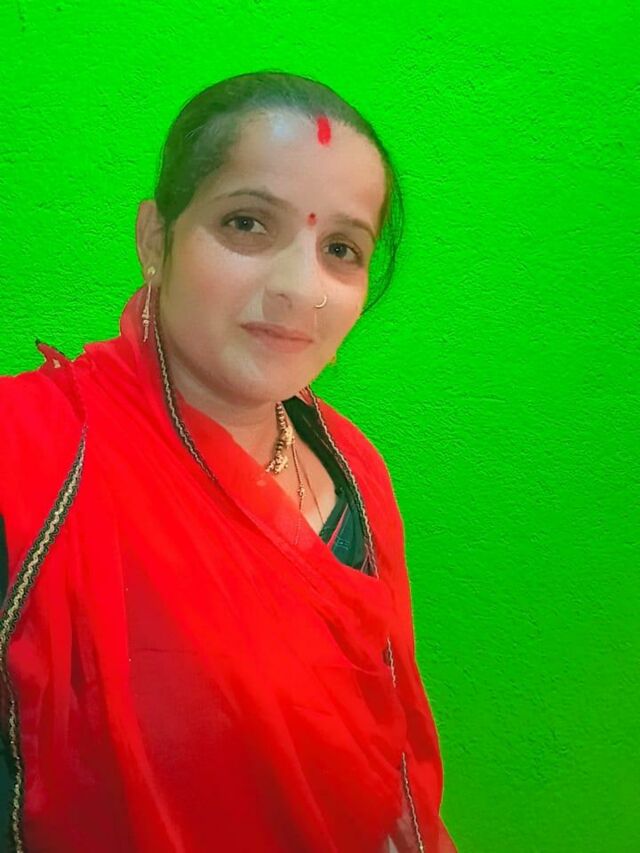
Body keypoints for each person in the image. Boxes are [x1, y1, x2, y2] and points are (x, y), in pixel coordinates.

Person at [0, 71, 456, 852]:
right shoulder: (29, 453)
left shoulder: (354, 468)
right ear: (155, 240)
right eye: (247, 224)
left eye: (340, 249)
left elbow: (388, 754)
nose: (300, 289)